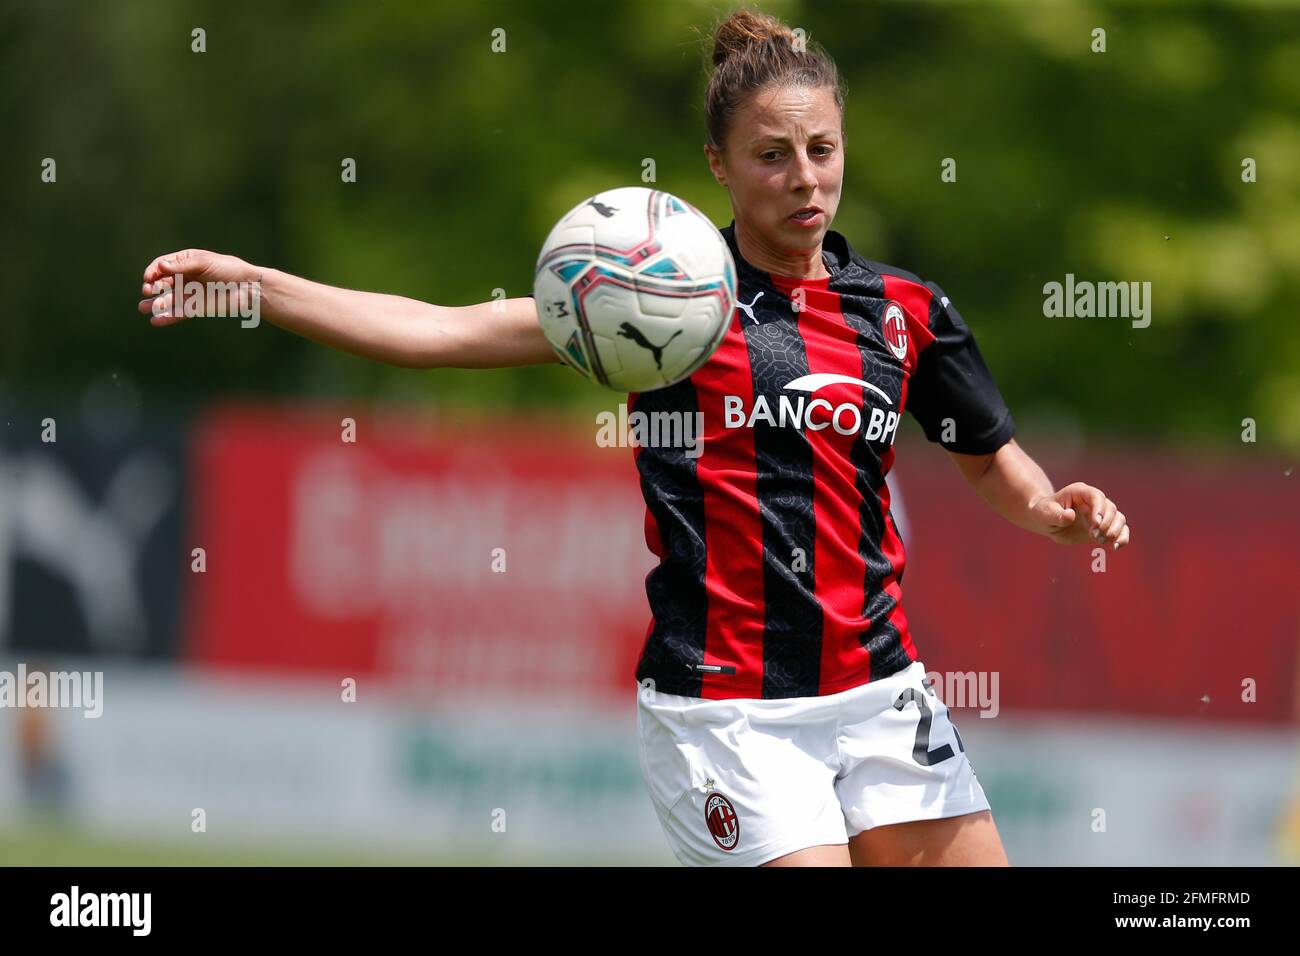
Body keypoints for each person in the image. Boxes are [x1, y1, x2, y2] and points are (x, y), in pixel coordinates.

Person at [138, 6, 1130, 867]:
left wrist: (1047, 507)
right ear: (717, 164)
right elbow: (437, 331)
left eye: (820, 149)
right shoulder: (662, 298)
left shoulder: (905, 311)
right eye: (770, 154)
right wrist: (253, 285)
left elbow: (988, 456)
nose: (802, 177)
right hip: (727, 710)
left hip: (881, 689)